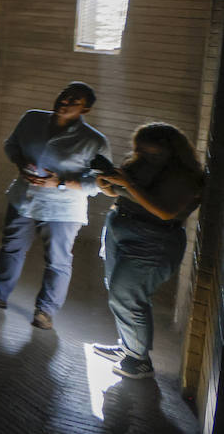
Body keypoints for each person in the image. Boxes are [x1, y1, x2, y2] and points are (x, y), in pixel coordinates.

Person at [0, 82, 108, 331]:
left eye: (74, 101)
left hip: (63, 210)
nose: (64, 101)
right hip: (24, 199)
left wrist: (61, 182)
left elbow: (98, 184)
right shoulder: (32, 118)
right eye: (63, 95)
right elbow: (11, 145)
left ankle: (45, 311)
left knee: (57, 260)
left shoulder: (94, 141)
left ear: (85, 110)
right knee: (11, 248)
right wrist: (21, 164)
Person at [93, 123, 204, 379]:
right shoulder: (140, 163)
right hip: (121, 229)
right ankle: (129, 347)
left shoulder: (185, 176)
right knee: (119, 292)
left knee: (127, 297)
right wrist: (106, 182)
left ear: (171, 150)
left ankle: (139, 360)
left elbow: (165, 212)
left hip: (153, 240)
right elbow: (118, 192)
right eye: (140, 151)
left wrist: (129, 184)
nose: (143, 156)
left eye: (151, 153)